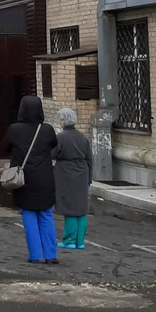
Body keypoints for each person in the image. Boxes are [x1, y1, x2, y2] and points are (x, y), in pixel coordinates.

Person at [4, 95, 59, 264]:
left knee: (28, 214)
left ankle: (35, 255)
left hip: (24, 179)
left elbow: (5, 147)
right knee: (46, 214)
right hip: (44, 178)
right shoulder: (47, 129)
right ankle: (51, 255)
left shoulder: (14, 129)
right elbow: (53, 144)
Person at [53, 107, 93, 250]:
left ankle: (69, 240)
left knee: (69, 207)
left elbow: (52, 154)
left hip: (66, 173)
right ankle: (80, 241)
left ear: (63, 122)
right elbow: (89, 158)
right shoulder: (83, 137)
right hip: (82, 173)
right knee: (81, 208)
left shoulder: (60, 137)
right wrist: (89, 179)